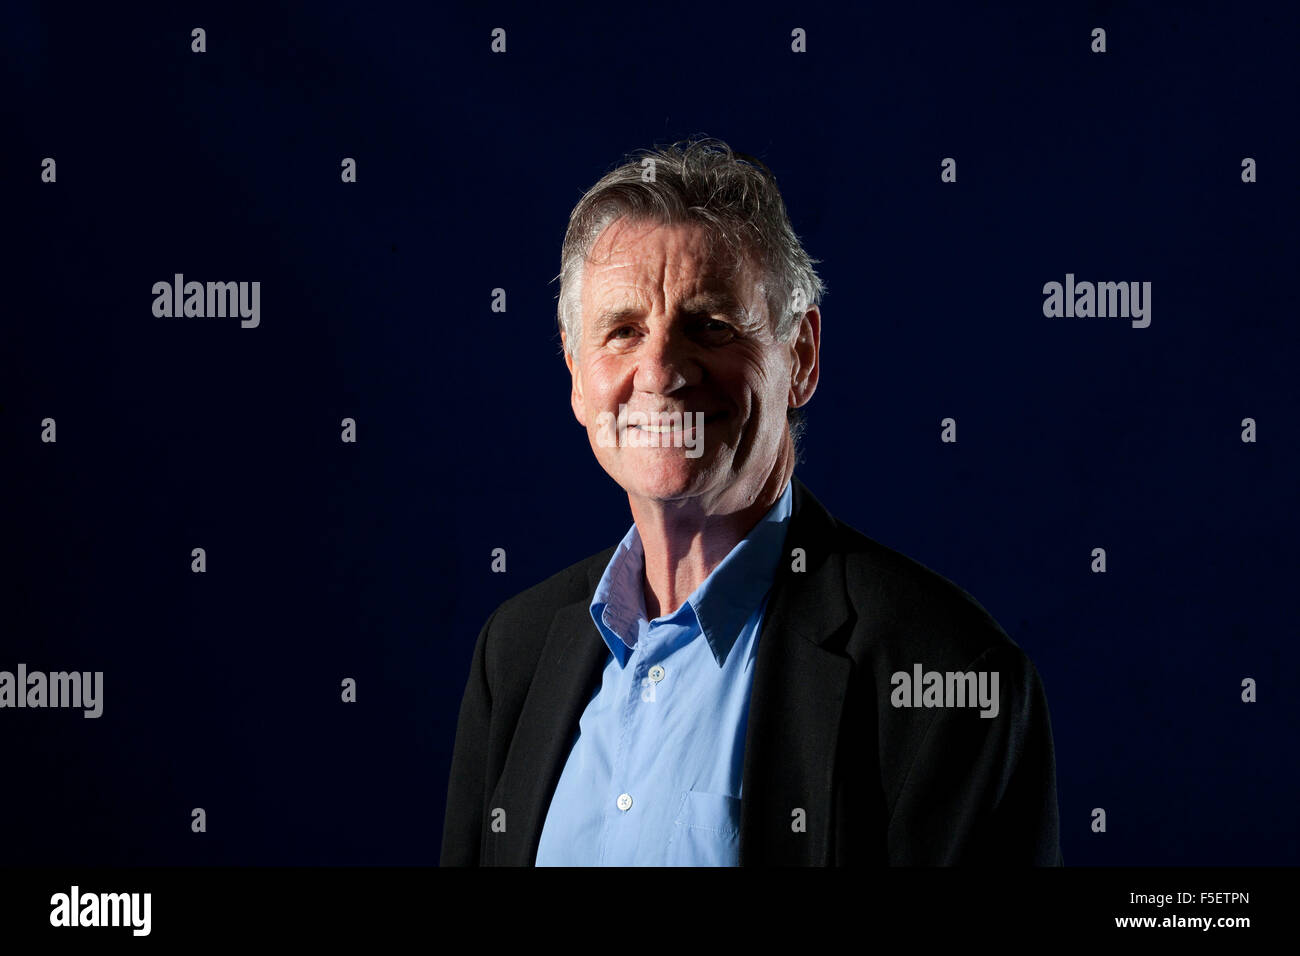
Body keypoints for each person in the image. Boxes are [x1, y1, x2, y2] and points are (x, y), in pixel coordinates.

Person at [441, 136, 1062, 866]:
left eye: (711, 326)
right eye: (623, 331)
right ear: (578, 375)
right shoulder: (513, 654)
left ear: (799, 357)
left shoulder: (948, 675)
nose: (661, 371)